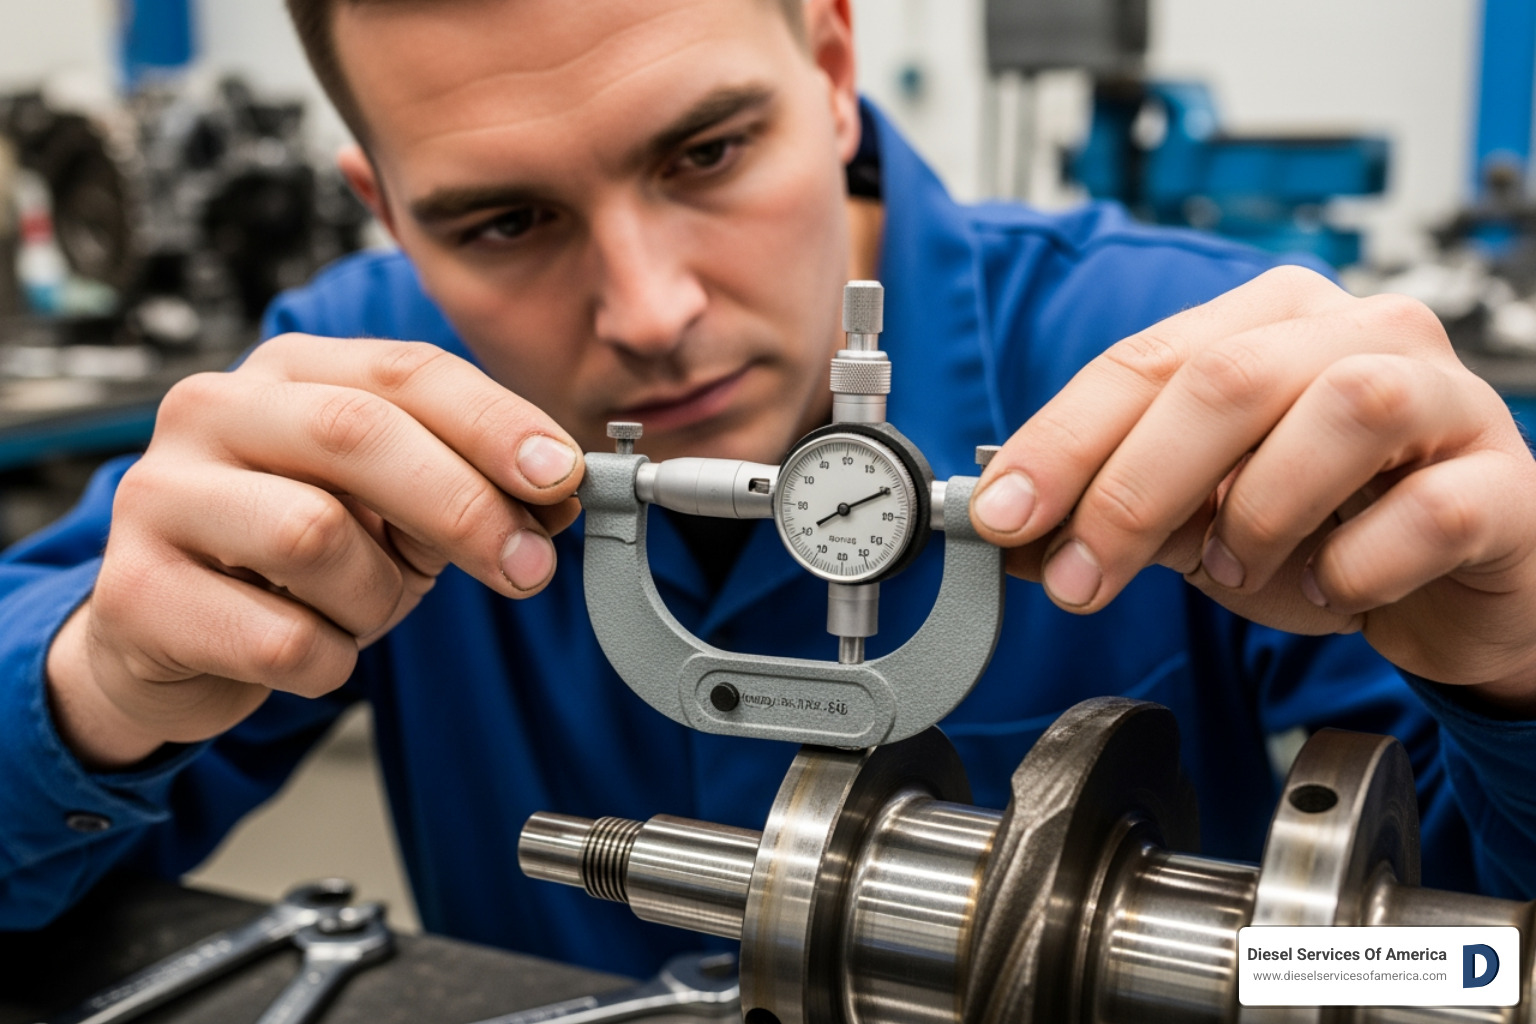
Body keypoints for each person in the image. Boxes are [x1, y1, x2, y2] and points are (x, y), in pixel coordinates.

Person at [4, 0, 1536, 977]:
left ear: (832, 65)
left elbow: (1461, 968)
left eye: (708, 150)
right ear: (382, 206)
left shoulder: (1175, 356)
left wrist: (1520, 673)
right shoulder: (348, 384)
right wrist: (90, 684)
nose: (650, 306)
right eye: (501, 220)